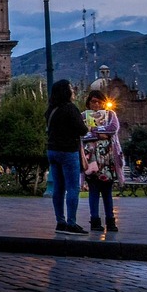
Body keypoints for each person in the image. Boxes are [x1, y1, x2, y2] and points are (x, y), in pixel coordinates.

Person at [46, 80, 89, 235]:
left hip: (52, 151)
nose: (73, 91)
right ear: (66, 92)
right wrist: (87, 126)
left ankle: (60, 222)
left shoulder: (51, 109)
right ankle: (71, 223)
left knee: (58, 187)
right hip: (68, 151)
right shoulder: (71, 109)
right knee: (72, 187)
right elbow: (82, 130)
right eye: (71, 88)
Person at [82, 90, 123, 232]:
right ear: (89, 103)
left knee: (107, 191)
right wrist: (100, 133)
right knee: (93, 190)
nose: (97, 104)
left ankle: (110, 221)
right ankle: (94, 220)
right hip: (91, 160)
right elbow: (82, 134)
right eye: (93, 101)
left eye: (99, 101)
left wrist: (93, 130)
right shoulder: (83, 116)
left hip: (108, 160)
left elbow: (113, 129)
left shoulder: (111, 115)